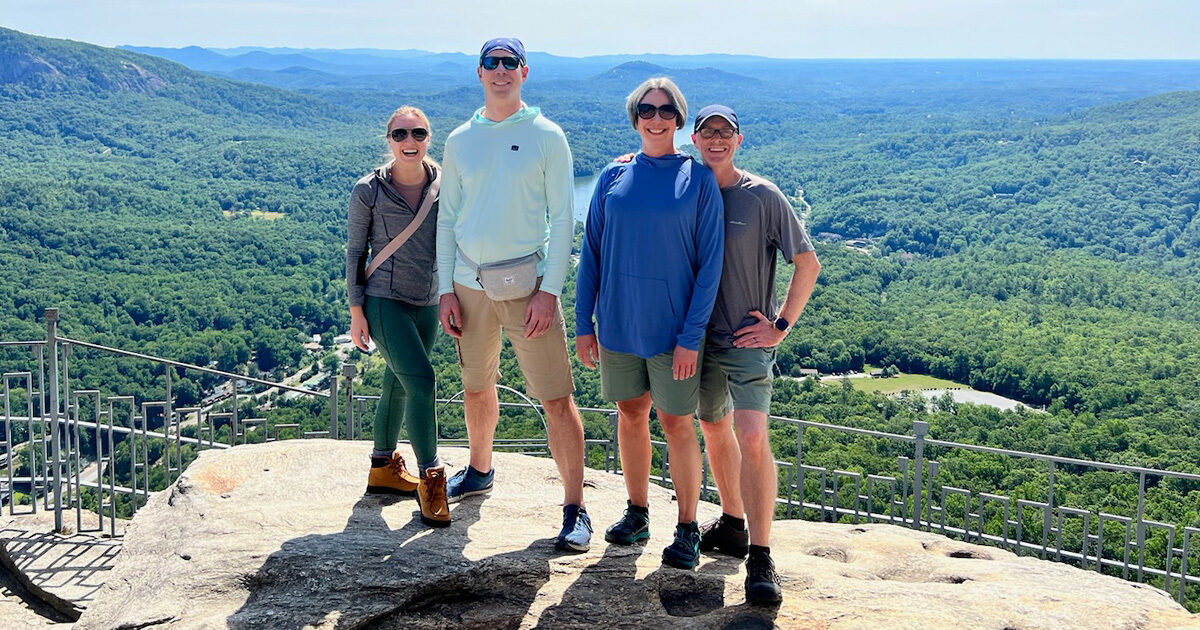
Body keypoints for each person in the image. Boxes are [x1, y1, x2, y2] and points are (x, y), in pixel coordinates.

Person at [435, 37, 591, 552]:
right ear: (478, 72)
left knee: (556, 398)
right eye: (491, 63)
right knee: (477, 385)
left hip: (528, 288)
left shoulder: (547, 135)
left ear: (524, 72)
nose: (500, 71)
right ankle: (480, 469)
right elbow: (448, 219)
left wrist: (550, 291)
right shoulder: (459, 140)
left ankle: (575, 507)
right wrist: (444, 289)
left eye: (509, 63)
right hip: (467, 281)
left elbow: (564, 218)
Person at [575, 77, 724, 570]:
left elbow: (710, 269)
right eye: (646, 109)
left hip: (673, 333)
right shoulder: (612, 176)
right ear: (635, 116)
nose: (655, 118)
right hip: (618, 324)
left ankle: (687, 528)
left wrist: (690, 338)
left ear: (679, 119)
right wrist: (583, 322)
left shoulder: (698, 180)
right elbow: (591, 253)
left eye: (665, 110)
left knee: (677, 422)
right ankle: (637, 512)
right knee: (630, 414)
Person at [691, 104, 821, 604]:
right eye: (708, 133)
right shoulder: (688, 188)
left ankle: (762, 555)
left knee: (751, 433)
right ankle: (731, 523)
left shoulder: (763, 196)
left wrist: (781, 326)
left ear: (738, 141)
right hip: (697, 339)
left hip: (747, 337)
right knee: (712, 427)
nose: (717, 140)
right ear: (695, 141)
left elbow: (806, 264)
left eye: (726, 133)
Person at [346, 105, 451, 528]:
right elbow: (356, 252)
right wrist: (356, 309)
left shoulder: (444, 184)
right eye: (400, 134)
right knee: (422, 381)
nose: (410, 142)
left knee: (398, 381)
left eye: (418, 133)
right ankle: (431, 478)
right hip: (384, 299)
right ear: (388, 140)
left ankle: (382, 467)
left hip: (426, 300)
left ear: (429, 138)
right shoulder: (368, 190)